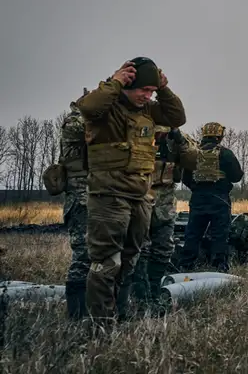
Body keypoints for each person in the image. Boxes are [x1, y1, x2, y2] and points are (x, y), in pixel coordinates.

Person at [76, 57, 186, 323]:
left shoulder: (147, 110)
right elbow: (88, 107)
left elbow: (177, 117)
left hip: (140, 197)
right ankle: (101, 324)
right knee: (106, 262)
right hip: (109, 196)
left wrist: (164, 89)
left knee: (130, 259)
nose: (147, 96)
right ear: (127, 85)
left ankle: (121, 314)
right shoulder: (107, 107)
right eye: (143, 90)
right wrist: (115, 81)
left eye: (151, 91)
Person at [132, 126, 198, 314]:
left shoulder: (175, 138)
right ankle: (140, 297)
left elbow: (195, 160)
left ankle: (154, 293)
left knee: (163, 248)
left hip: (165, 202)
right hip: (139, 197)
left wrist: (180, 140)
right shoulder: (137, 129)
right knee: (140, 249)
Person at [179, 122, 243, 272]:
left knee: (193, 233)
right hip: (220, 199)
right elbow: (236, 176)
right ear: (219, 136)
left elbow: (185, 178)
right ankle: (219, 266)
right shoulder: (226, 153)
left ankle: (185, 265)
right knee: (220, 235)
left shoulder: (194, 154)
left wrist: (197, 188)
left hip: (198, 199)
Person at [61, 89, 90, 320]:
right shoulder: (73, 121)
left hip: (92, 196)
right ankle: (76, 313)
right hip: (80, 198)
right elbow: (85, 132)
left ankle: (89, 307)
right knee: (82, 254)